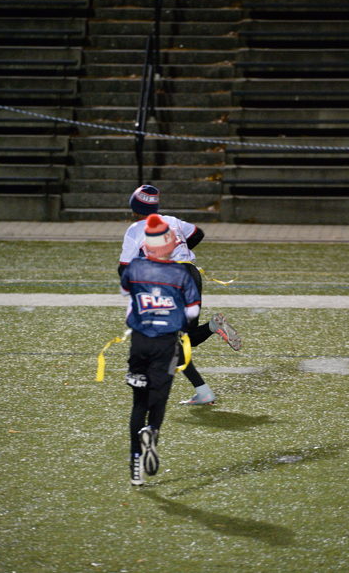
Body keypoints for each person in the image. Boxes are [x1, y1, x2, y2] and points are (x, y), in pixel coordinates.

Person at [118, 184, 241, 405]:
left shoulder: (135, 229)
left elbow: (124, 268)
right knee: (184, 338)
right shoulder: (171, 221)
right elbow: (198, 233)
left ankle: (202, 390)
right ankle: (212, 330)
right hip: (191, 274)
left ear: (134, 208)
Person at [120, 213, 202, 485]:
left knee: (138, 403)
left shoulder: (134, 270)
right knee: (159, 399)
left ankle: (135, 466)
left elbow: (129, 297)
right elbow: (192, 313)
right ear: (171, 244)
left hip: (140, 342)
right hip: (166, 343)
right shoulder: (180, 274)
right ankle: (152, 430)